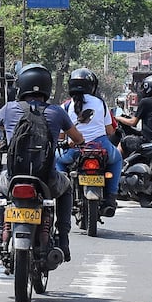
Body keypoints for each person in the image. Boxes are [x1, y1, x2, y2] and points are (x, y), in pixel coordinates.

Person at [0, 63, 83, 261]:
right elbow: (78, 139)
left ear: (21, 86)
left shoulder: (8, 109)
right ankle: (63, 238)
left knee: (0, 193)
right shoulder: (57, 112)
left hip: (14, 178)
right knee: (66, 188)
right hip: (46, 178)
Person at [57, 67, 122, 215]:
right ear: (92, 86)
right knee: (117, 159)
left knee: (58, 160)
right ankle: (111, 197)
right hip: (101, 147)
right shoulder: (101, 103)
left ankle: (62, 192)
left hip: (74, 149)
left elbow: (60, 137)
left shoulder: (65, 106)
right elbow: (110, 131)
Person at [117, 74, 152, 141]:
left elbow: (133, 122)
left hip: (147, 140)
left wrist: (118, 118)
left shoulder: (145, 102)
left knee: (123, 144)